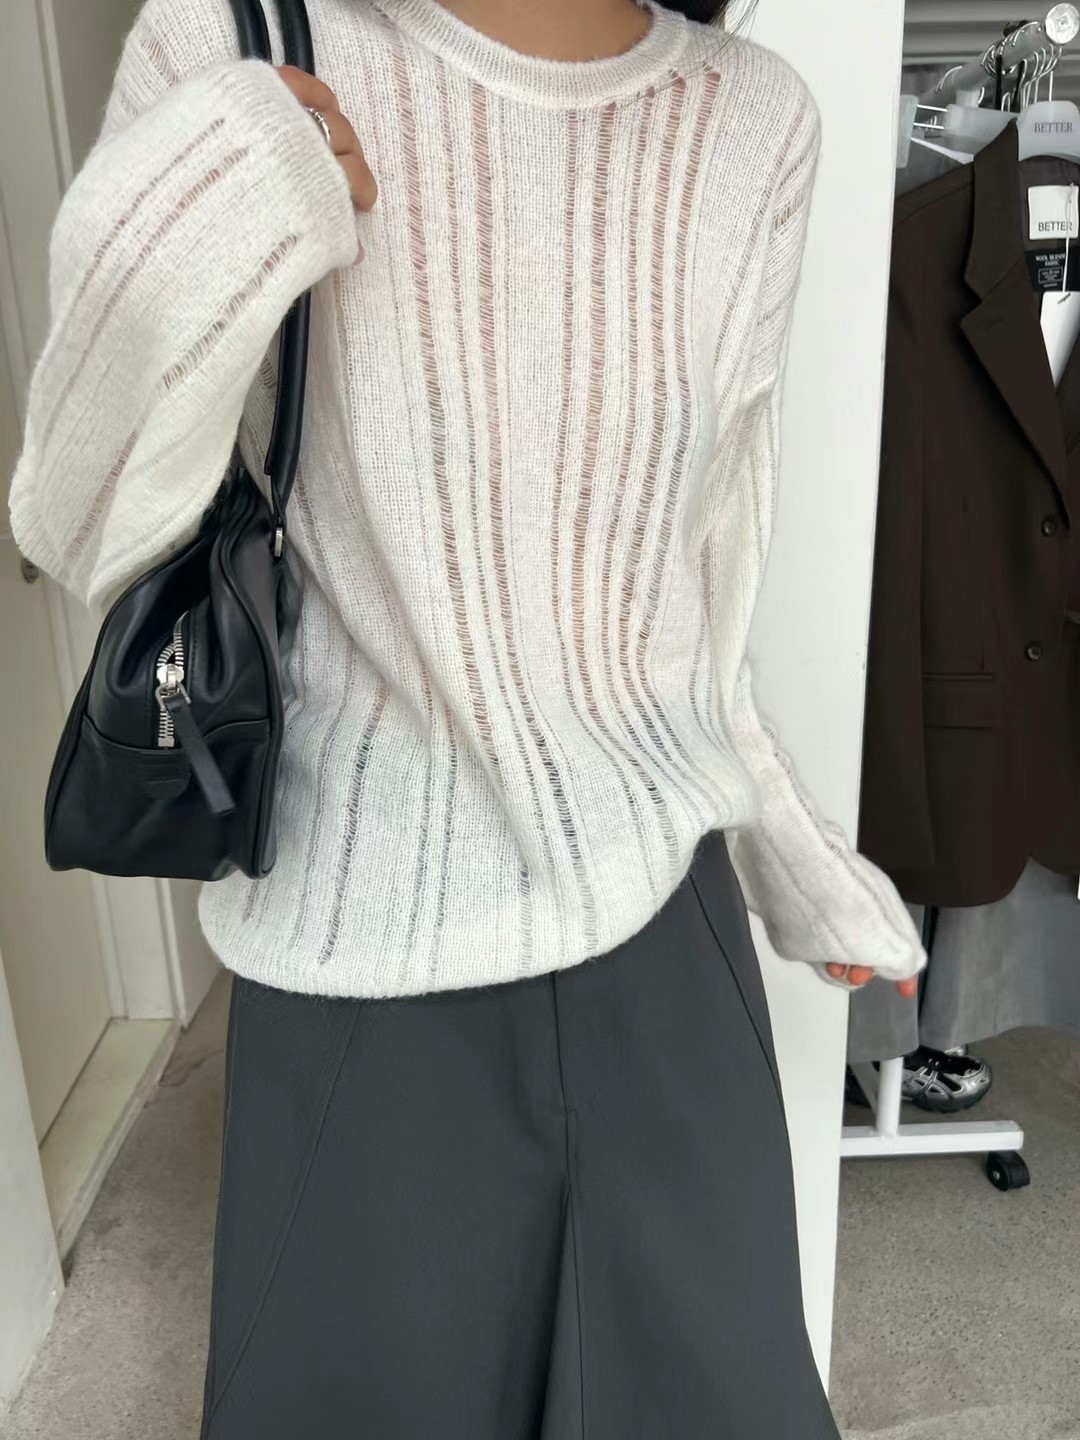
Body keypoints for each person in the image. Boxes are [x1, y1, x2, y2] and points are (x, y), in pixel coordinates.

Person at [8, 0, 925, 1434]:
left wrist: (797, 860)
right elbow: (76, 522)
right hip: (361, 997)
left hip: (667, 961)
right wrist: (236, 187)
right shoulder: (237, 43)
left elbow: (694, 603)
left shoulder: (753, 121)